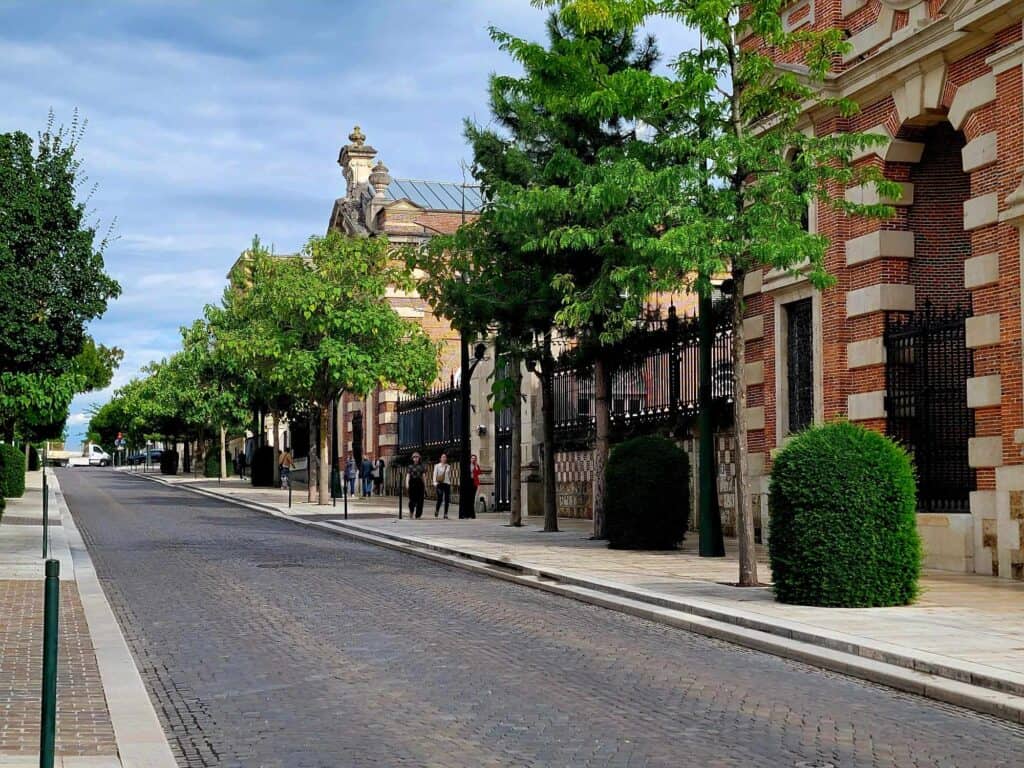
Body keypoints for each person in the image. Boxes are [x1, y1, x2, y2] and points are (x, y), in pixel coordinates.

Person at [433, 452, 452, 519]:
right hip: (439, 484)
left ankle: (445, 514)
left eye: (445, 457)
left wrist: (450, 483)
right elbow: (435, 475)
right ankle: (437, 510)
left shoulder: (448, 466)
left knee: (447, 499)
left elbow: (448, 476)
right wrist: (435, 483)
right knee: (440, 499)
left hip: (447, 484)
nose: (444, 458)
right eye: (442, 457)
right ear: (440, 458)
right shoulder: (437, 466)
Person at [407, 452, 426, 519]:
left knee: (420, 501)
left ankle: (418, 515)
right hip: (412, 483)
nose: (415, 458)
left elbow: (423, 476)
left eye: (417, 457)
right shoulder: (410, 466)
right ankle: (411, 511)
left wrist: (425, 485)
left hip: (420, 483)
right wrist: (407, 484)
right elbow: (408, 475)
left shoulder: (422, 466)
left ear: (419, 458)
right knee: (411, 500)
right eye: (414, 457)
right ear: (412, 458)